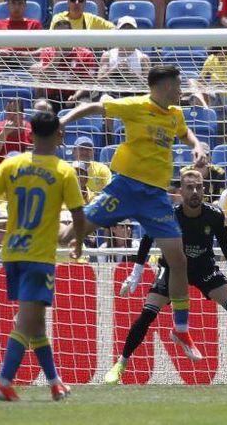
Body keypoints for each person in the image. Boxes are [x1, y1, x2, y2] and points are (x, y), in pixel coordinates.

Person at [58, 64, 208, 354]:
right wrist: (64, 120)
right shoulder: (135, 105)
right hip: (124, 189)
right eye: (178, 85)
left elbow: (186, 133)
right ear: (165, 86)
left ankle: (181, 330)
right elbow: (94, 106)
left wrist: (197, 146)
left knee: (178, 261)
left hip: (155, 199)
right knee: (67, 237)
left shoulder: (175, 115)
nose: (181, 90)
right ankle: (33, 225)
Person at [105, 169, 227, 384]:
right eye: (189, 187)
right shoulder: (168, 214)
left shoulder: (214, 214)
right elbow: (148, 240)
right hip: (172, 269)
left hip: (204, 268)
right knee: (147, 315)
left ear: (204, 189)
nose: (195, 191)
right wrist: (135, 273)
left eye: (198, 187)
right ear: (180, 192)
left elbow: (223, 240)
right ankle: (121, 364)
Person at [0, 110, 86, 402]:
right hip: (39, 256)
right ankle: (4, 380)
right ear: (60, 136)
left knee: (36, 323)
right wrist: (79, 244)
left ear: (29, 134)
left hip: (11, 253)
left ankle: (55, 381)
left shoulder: (11, 165)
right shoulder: (64, 171)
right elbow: (77, 214)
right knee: (26, 322)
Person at [96, 16, 152, 86]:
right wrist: (114, 70)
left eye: (130, 30)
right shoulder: (107, 55)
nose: (127, 33)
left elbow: (149, 85)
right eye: (123, 30)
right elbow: (99, 81)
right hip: (111, 95)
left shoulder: (143, 58)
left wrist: (132, 73)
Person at [70, 136, 112, 204]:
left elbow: (110, 189)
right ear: (74, 151)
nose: (85, 152)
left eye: (88, 149)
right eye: (81, 149)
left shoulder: (102, 168)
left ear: (93, 151)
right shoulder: (68, 170)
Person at [49, 0, 114, 30]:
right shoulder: (58, 18)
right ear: (68, 3)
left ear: (85, 4)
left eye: (81, 0)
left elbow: (112, 28)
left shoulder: (91, 18)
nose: (77, 3)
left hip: (85, 51)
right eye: (73, 0)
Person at [0, 99, 32, 164]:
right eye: (9, 111)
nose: (11, 115)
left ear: (22, 115)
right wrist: (4, 133)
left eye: (15, 111)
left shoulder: (31, 130)